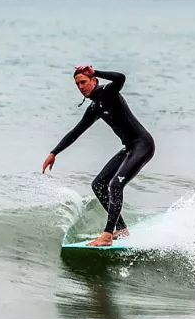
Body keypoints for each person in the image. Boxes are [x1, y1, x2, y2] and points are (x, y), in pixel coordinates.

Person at [41, 65, 155, 246]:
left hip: (143, 145)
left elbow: (120, 78)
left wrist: (96, 71)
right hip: (129, 147)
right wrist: (54, 152)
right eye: (77, 84)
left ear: (93, 81)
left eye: (84, 82)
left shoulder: (108, 92)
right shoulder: (95, 108)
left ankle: (107, 235)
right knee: (99, 184)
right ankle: (121, 229)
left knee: (115, 184)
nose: (80, 86)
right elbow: (75, 132)